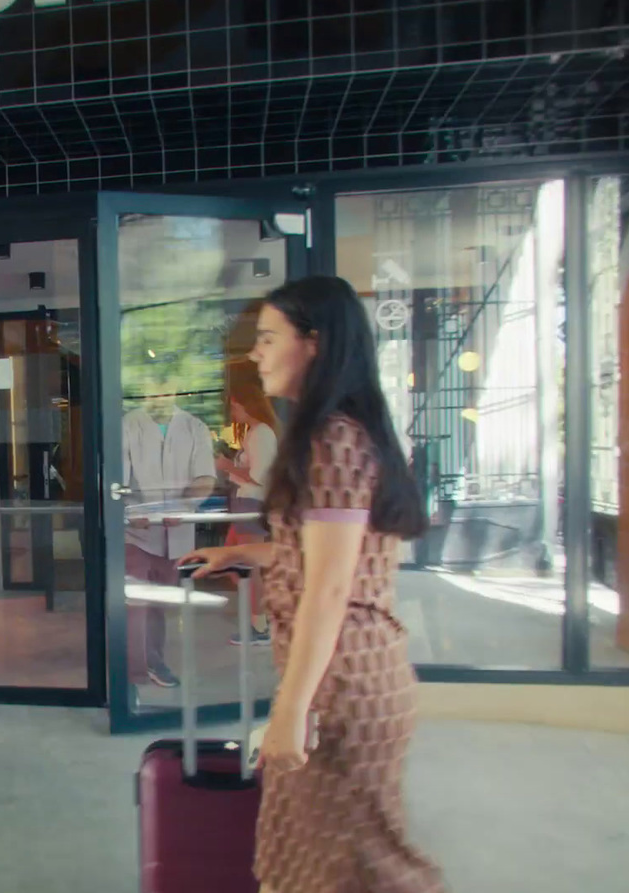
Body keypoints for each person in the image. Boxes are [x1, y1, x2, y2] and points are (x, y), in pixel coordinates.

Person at [181, 276, 444, 893]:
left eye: (269, 337)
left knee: (360, 872)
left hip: (343, 688)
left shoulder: (333, 440)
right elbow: (325, 556)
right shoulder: (339, 433)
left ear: (315, 344)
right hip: (353, 678)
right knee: (317, 863)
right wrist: (244, 557)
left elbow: (330, 590)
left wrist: (290, 710)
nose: (256, 353)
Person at [123, 393, 217, 688]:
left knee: (158, 604)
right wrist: (128, 508)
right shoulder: (128, 425)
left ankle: (152, 660)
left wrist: (186, 505)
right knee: (135, 603)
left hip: (176, 536)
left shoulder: (194, 427)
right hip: (135, 534)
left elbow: (204, 478)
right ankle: (134, 673)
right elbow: (118, 480)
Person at [216, 362, 278, 647]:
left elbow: (257, 476)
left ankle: (261, 623)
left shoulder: (262, 434)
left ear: (247, 405)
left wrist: (227, 464)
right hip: (243, 503)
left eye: (235, 407)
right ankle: (259, 617)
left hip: (250, 504)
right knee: (235, 562)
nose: (233, 413)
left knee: (247, 565)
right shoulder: (254, 434)